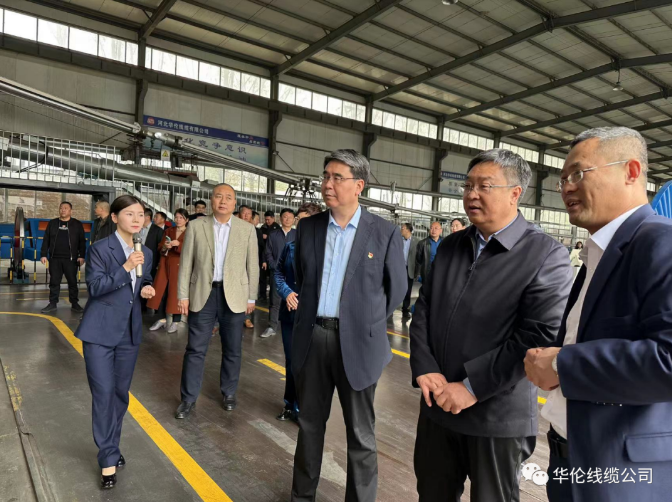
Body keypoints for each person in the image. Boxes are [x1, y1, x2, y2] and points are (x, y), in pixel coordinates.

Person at [410, 149, 573, 502]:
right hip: (439, 405)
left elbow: (538, 336)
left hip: (496, 415)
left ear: (515, 193)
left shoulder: (545, 255)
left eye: (484, 186)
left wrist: (471, 387)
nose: (471, 194)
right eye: (468, 185)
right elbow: (423, 308)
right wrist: (424, 367)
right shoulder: (451, 246)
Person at [524, 127, 672, 502]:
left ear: (631, 171)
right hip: (570, 454)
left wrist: (562, 365)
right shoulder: (600, 252)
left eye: (578, 173)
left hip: (621, 470)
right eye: (562, 180)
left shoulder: (661, 243)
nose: (566, 188)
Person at [291, 149, 406, 502]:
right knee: (309, 427)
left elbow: (396, 290)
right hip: (314, 338)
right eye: (325, 176)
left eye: (337, 178)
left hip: (359, 345)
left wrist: (363, 321)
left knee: (361, 434)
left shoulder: (383, 232)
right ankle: (301, 497)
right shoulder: (308, 227)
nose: (327, 184)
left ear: (358, 185)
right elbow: (302, 277)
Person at [75, 195, 155, 489]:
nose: (136, 219)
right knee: (104, 393)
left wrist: (147, 288)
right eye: (130, 214)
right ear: (114, 217)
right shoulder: (100, 248)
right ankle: (108, 458)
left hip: (128, 333)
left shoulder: (145, 251)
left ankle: (111, 444)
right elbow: (96, 288)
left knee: (120, 394)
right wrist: (125, 266)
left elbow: (143, 279)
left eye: (141, 214)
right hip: (99, 333)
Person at [175, 183, 259, 419]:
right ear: (211, 200)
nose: (223, 201)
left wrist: (251, 297)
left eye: (228, 197)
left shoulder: (246, 229)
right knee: (195, 348)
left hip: (234, 295)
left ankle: (229, 392)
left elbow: (252, 265)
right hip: (203, 293)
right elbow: (186, 262)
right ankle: (188, 399)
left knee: (232, 348)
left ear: (235, 203)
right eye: (219, 196)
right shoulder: (196, 225)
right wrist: (183, 295)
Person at [273, 202, 323, 421]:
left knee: (310, 363)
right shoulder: (290, 246)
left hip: (315, 316)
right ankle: (289, 404)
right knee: (292, 360)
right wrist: (287, 293)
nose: (300, 224)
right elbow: (278, 273)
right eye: (298, 220)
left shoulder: (326, 249)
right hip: (290, 313)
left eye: (305, 221)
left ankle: (305, 408)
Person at [40, 201, 86, 314]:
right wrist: (43, 254)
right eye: (61, 208)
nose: (63, 210)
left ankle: (74, 304)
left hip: (71, 259)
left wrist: (81, 256)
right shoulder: (52, 223)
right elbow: (46, 240)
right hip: (55, 259)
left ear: (71, 211)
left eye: (66, 208)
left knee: (72, 282)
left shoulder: (77, 224)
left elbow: (82, 242)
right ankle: (52, 303)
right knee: (54, 282)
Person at [148, 209, 188, 333]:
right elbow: (160, 247)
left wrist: (178, 245)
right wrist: (165, 246)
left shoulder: (190, 232)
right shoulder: (169, 230)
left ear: (186, 220)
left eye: (181, 218)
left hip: (180, 265)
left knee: (177, 292)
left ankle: (176, 321)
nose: (178, 220)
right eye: (176, 217)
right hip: (166, 263)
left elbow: (192, 249)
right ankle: (162, 319)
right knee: (161, 290)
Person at [261, 208, 296, 338]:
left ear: (294, 220)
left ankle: (292, 326)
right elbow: (268, 251)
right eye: (285, 217)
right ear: (280, 218)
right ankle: (272, 326)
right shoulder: (273, 234)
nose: (287, 219)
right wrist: (273, 265)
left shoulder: (298, 235)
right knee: (275, 300)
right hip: (277, 273)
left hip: (293, 274)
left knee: (293, 299)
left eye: (290, 217)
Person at [238, 204, 260, 329]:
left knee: (248, 293)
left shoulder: (253, 230)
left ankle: (246, 318)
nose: (246, 216)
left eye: (249, 214)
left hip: (248, 266)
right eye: (244, 213)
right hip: (234, 267)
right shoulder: (232, 227)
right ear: (239, 214)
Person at [259, 211, 280, 300]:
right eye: (266, 219)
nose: (267, 221)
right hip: (263, 254)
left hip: (273, 256)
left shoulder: (277, 228)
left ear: (273, 218)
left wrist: (267, 237)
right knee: (262, 277)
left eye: (268, 219)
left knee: (273, 278)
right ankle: (262, 295)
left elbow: (277, 241)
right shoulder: (263, 227)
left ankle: (273, 296)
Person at [400, 222, 419, 319]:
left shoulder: (417, 241)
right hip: (399, 268)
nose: (401, 229)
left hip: (409, 269)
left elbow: (418, 259)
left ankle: (405, 310)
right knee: (395, 289)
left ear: (408, 230)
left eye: (402, 228)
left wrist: (417, 272)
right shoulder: (398, 240)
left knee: (408, 291)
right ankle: (390, 309)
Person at [140, 208, 163, 279]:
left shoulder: (158, 230)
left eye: (141, 215)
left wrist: (158, 263)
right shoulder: (136, 228)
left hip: (150, 262)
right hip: (136, 259)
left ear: (147, 217)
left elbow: (160, 248)